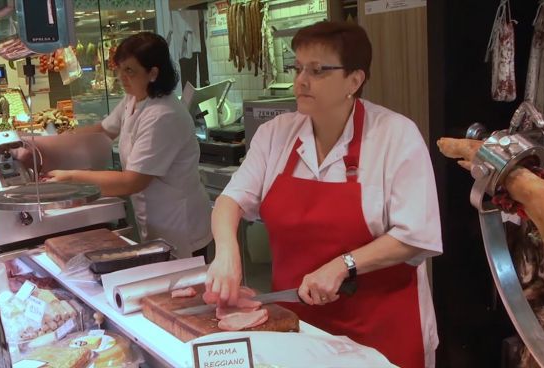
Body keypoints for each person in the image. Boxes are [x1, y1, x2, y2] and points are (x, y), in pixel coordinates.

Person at [205, 21, 442, 368]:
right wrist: (226, 252)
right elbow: (231, 200)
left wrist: (345, 264)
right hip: (296, 326)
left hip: (382, 330)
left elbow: (415, 236)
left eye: (317, 70)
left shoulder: (396, 136)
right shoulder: (276, 135)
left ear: (354, 80)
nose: (301, 80)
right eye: (298, 67)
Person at [46, 32, 213, 260]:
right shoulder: (134, 98)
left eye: (130, 71)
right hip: (154, 221)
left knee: (185, 291)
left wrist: (71, 178)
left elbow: (132, 181)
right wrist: (49, 143)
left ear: (153, 73)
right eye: (120, 69)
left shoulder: (163, 115)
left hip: (180, 226)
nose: (121, 77)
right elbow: (103, 131)